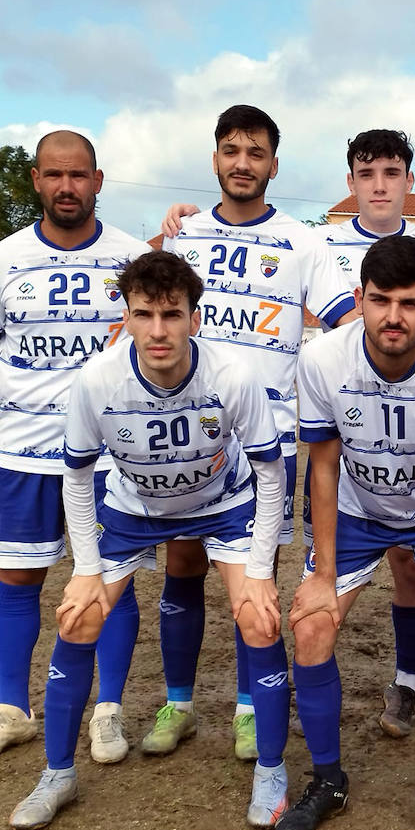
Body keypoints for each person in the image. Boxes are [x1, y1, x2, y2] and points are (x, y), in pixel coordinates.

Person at [8, 250, 291, 830]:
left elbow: (270, 473)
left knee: (259, 619)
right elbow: (79, 475)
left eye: (171, 314)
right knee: (78, 615)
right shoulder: (97, 380)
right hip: (135, 507)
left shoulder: (232, 377)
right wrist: (86, 566)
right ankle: (57, 774)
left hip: (222, 503)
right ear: (127, 317)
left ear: (195, 317)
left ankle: (271, 767)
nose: (158, 331)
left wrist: (260, 571)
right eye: (144, 315)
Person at [273, 236, 415, 830]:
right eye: (380, 301)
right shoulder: (322, 361)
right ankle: (328, 779)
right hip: (357, 511)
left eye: (410, 303)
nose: (393, 316)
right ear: (358, 300)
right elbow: (321, 466)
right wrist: (320, 570)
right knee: (311, 624)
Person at [0, 130, 148, 766]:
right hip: (23, 453)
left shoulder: (132, 259)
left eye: (78, 175)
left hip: (110, 457)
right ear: (35, 179)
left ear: (98, 180)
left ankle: (107, 711)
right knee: (16, 578)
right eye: (54, 175)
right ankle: (12, 710)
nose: (66, 186)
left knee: (113, 583)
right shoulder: (1, 261)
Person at [154, 105, 356, 763]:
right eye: (232, 150)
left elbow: (347, 323)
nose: (243, 162)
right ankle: (179, 704)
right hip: (190, 434)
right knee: (181, 562)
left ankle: (248, 708)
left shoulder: (304, 243)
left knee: (256, 577)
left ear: (274, 164)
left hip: (267, 439)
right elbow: (147, 321)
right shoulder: (182, 240)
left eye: (256, 152)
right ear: (216, 159)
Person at [313, 130, 415, 739]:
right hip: (353, 427)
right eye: (368, 174)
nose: (381, 185)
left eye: (393, 172)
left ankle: (407, 683)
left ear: (409, 181)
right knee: (370, 556)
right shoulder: (321, 246)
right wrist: (182, 218)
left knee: (411, 564)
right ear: (351, 182)